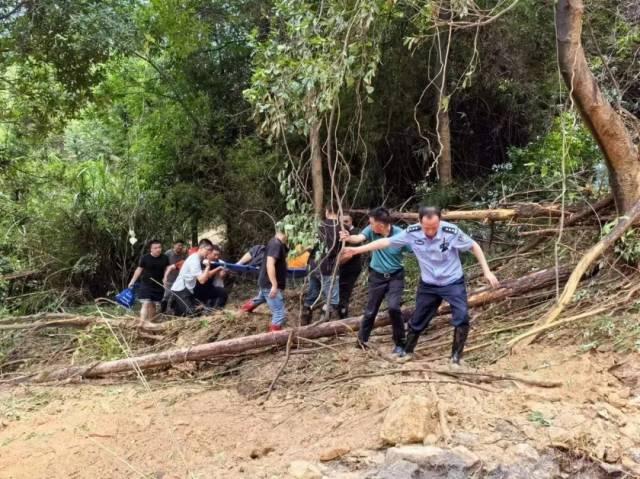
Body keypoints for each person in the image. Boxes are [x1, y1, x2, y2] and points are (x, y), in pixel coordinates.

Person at [343, 206, 499, 365]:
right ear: (419, 222)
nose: (431, 232)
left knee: (462, 317)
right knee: (417, 319)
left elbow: (473, 246)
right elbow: (385, 242)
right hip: (429, 284)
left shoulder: (451, 232)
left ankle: (456, 358)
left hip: (452, 281)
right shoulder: (412, 232)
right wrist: (356, 251)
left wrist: (487, 271)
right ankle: (407, 351)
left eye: (434, 227)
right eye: (427, 228)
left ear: (440, 221)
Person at [340, 207, 411, 354]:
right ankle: (361, 340)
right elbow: (358, 238)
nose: (369, 224)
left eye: (372, 223)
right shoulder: (371, 230)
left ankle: (400, 343)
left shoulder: (399, 234)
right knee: (370, 310)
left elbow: (414, 249)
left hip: (395, 276)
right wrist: (348, 237)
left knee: (393, 308)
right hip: (377, 276)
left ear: (381, 225)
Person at [301, 208, 342, 325]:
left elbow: (308, 247)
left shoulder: (318, 227)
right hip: (329, 268)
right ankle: (324, 326)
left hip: (313, 266)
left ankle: (305, 322)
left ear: (327, 211)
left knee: (312, 294)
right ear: (339, 213)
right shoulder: (341, 229)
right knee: (333, 300)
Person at [167, 238, 215, 316]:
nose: (209, 252)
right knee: (191, 314)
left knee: (187, 315)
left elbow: (203, 277)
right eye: (208, 250)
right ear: (201, 248)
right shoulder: (194, 260)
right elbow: (202, 280)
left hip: (187, 290)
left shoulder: (197, 259)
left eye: (211, 250)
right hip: (181, 290)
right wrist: (208, 266)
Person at [128, 239, 170, 326]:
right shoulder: (145, 258)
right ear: (151, 249)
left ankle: (151, 324)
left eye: (159, 247)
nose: (158, 249)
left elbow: (167, 269)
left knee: (153, 305)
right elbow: (139, 270)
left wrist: (166, 278)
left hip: (158, 285)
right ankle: (141, 323)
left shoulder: (165, 258)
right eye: (155, 248)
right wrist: (132, 281)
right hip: (146, 284)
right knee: (145, 303)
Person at [256, 227, 289, 332]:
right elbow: (270, 264)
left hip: (266, 282)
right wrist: (274, 285)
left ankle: (243, 311)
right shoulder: (276, 244)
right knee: (279, 312)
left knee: (260, 298)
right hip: (269, 284)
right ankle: (274, 341)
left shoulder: (279, 244)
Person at [337, 215, 362, 319]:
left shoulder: (356, 232)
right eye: (342, 222)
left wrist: (335, 264)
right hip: (342, 267)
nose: (344, 224)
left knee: (344, 292)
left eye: (346, 221)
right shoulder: (340, 232)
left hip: (351, 267)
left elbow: (349, 254)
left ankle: (343, 316)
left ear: (351, 221)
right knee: (340, 292)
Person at [194, 245, 228, 309]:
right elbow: (206, 276)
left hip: (209, 287)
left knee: (222, 292)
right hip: (198, 288)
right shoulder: (202, 261)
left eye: (218, 255)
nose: (216, 257)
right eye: (214, 255)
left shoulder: (217, 262)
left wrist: (224, 273)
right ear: (209, 253)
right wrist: (218, 269)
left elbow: (221, 276)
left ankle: (217, 311)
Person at [161, 240, 186, 313]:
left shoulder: (183, 254)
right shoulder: (168, 253)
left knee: (175, 295)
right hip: (169, 278)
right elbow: (163, 264)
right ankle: (162, 311)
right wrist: (164, 276)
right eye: (178, 245)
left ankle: (174, 311)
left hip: (178, 278)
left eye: (181, 245)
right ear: (174, 245)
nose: (180, 247)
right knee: (166, 295)